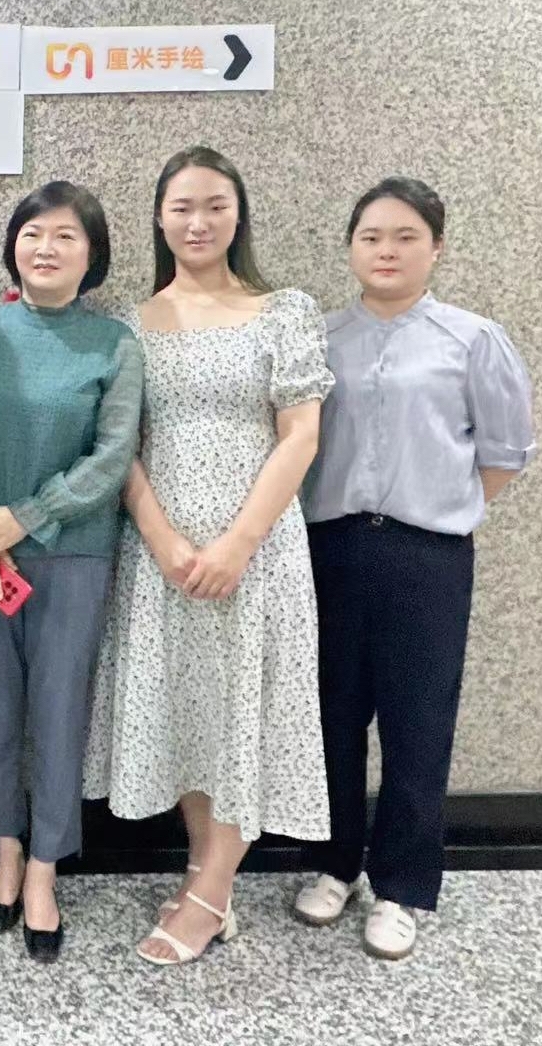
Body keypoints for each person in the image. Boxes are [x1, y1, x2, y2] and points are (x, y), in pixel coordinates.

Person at [82, 146, 335, 966]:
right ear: (158, 218)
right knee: (188, 710)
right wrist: (162, 538)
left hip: (254, 549)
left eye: (214, 205)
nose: (197, 222)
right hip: (160, 551)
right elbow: (121, 447)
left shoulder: (282, 311)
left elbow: (299, 435)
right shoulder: (130, 323)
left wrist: (235, 544)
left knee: (240, 709)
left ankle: (209, 893)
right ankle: (205, 873)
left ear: (238, 215)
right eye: (181, 206)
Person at [293, 177, 535, 960]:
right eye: (370, 236)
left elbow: (503, 453)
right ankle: (334, 863)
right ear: (350, 247)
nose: (386, 250)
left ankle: (399, 885)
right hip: (329, 547)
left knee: (416, 722)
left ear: (435, 246)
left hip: (424, 555)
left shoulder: (471, 338)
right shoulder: (319, 337)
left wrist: (438, 508)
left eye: (405, 236)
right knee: (329, 715)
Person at [0, 181, 142, 962]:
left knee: (58, 716)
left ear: (92, 254)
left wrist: (25, 515)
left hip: (72, 555)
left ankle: (42, 869)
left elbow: (112, 458)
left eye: (65, 235)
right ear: (12, 247)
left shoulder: (114, 343)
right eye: (32, 233)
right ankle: (3, 851)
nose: (46, 247)